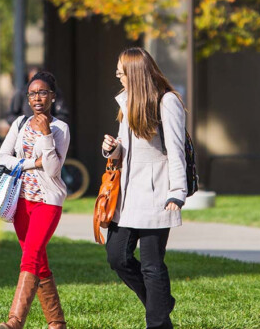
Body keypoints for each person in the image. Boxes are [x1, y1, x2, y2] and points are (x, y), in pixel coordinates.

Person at [101, 47, 186, 329]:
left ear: (135, 73)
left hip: (157, 193)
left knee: (152, 266)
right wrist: (112, 150)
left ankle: (158, 322)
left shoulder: (167, 102)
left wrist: (177, 192)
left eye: (121, 72)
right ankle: (160, 301)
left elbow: (176, 151)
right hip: (127, 195)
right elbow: (126, 149)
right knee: (117, 257)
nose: (118, 76)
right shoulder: (126, 102)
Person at [0, 71, 71, 329]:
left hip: (47, 203)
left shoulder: (60, 129)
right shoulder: (19, 123)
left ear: (52, 96)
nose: (37, 97)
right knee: (38, 261)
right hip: (21, 203)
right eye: (32, 93)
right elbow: (2, 158)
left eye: (42, 92)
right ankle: (57, 322)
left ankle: (15, 320)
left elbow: (51, 169)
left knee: (30, 257)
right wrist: (30, 163)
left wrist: (46, 134)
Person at [6, 66, 71, 124]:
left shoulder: (55, 93)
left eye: (43, 93)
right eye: (32, 94)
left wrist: (49, 124)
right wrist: (26, 124)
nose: (37, 98)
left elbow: (63, 115)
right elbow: (10, 116)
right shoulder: (21, 93)